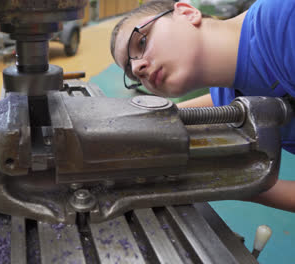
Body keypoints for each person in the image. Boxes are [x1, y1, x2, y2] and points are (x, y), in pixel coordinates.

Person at [110, 0, 295, 211]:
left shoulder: (284, 22)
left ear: (187, 13)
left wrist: (239, 182)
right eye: (130, 72)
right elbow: (214, 103)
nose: (137, 68)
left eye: (141, 42)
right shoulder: (229, 93)